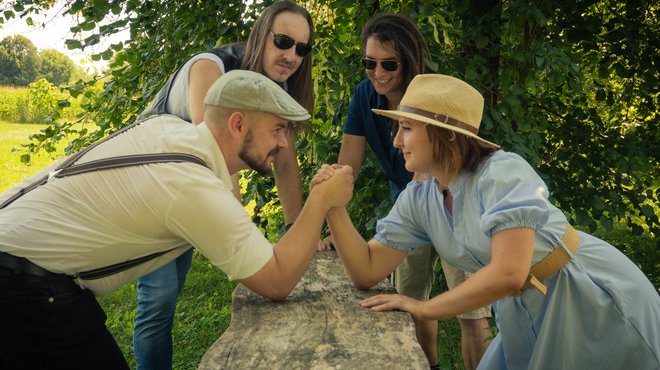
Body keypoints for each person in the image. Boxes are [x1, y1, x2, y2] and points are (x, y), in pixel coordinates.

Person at [0, 70, 354, 370]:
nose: (284, 144)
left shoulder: (169, 130)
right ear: (238, 123)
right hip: (25, 285)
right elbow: (276, 280)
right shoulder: (191, 184)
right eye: (278, 130)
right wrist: (320, 200)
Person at [315, 73, 660, 369]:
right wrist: (332, 205)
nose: (396, 141)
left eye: (406, 128)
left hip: (587, 299)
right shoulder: (420, 199)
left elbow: (509, 273)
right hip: (522, 311)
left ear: (444, 133)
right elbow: (367, 268)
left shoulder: (502, 173)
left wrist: (425, 308)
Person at [134, 2, 316, 368]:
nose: (291, 55)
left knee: (170, 293)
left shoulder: (274, 85)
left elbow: (284, 157)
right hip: (151, 182)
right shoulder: (210, 67)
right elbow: (216, 154)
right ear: (260, 37)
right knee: (159, 299)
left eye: (302, 48)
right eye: (282, 41)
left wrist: (295, 227)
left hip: (186, 191)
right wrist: (245, 240)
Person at [323, 14, 490, 369]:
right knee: (410, 301)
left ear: (409, 60)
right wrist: (337, 219)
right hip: (409, 210)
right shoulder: (364, 95)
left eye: (389, 64)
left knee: (472, 315)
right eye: (369, 62)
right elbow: (346, 164)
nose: (377, 72)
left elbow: (439, 167)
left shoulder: (432, 93)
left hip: (454, 207)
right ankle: (429, 365)